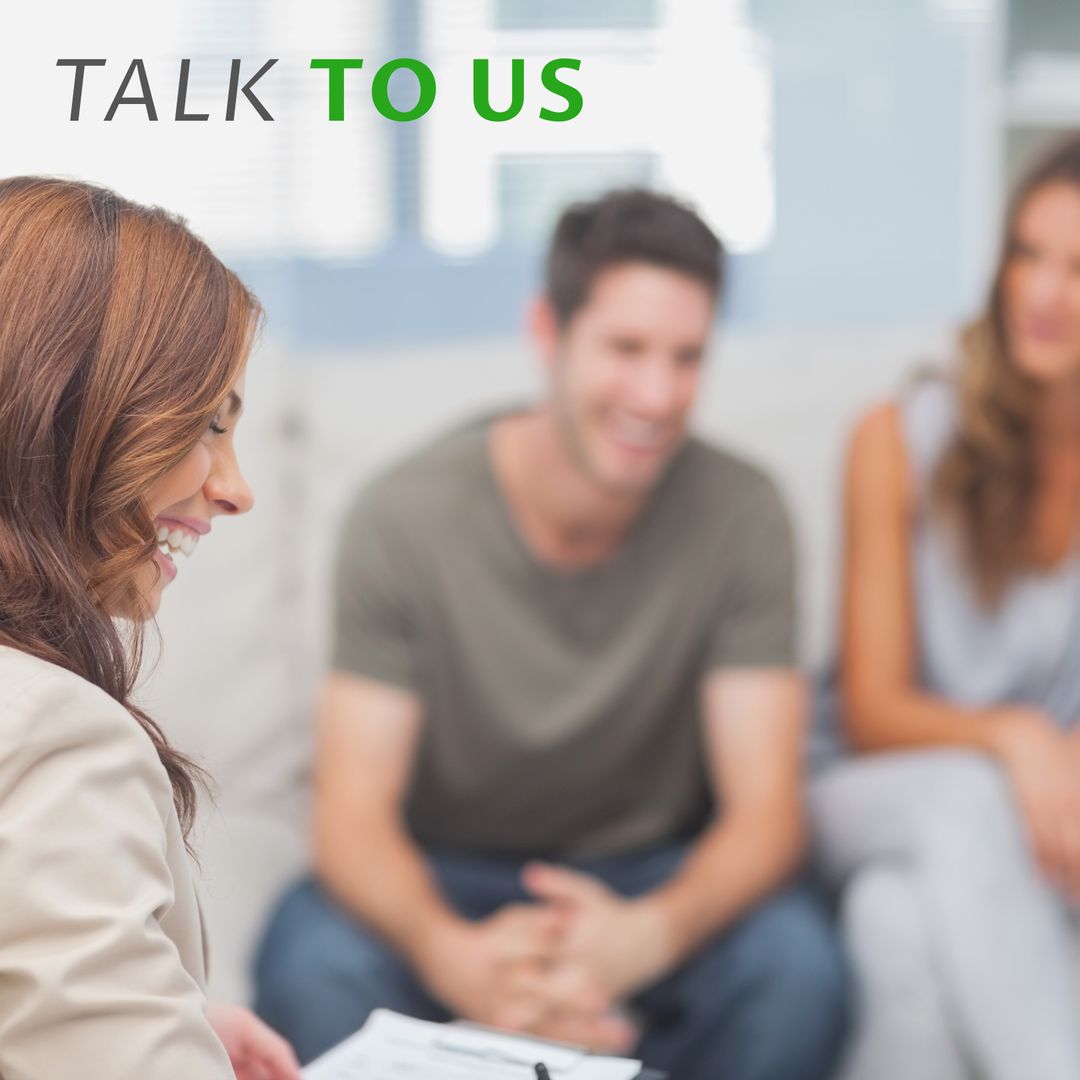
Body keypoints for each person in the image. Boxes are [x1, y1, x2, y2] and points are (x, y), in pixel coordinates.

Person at [254, 188, 848, 1080]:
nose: (657, 394)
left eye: (687, 357)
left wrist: (643, 940)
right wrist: (456, 956)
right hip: (449, 872)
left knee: (799, 972)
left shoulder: (745, 513)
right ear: (547, 331)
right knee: (311, 963)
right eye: (626, 349)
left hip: (651, 879)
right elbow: (351, 817)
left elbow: (767, 816)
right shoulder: (404, 517)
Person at [0, 176, 300, 1079]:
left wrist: (169, 1015)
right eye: (207, 424)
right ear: (70, 411)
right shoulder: (55, 735)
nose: (236, 488)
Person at [812, 133, 1080, 1080]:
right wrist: (1015, 737)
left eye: (1079, 267)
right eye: (1028, 255)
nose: (1045, 294)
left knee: (896, 930)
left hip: (1041, 824)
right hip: (879, 790)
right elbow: (872, 714)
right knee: (968, 803)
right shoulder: (896, 440)